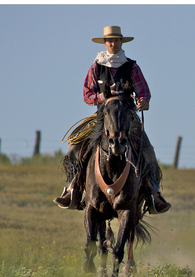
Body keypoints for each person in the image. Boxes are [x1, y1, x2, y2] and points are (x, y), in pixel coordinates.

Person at [54, 26, 171, 214]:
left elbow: (143, 92)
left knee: (147, 150)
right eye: (109, 41)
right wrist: (103, 98)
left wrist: (143, 102)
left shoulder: (132, 67)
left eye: (116, 40)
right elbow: (87, 94)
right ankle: (71, 189)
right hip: (102, 118)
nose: (112, 44)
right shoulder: (96, 67)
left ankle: (153, 195)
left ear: (121, 42)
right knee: (75, 148)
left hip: (128, 118)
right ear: (105, 43)